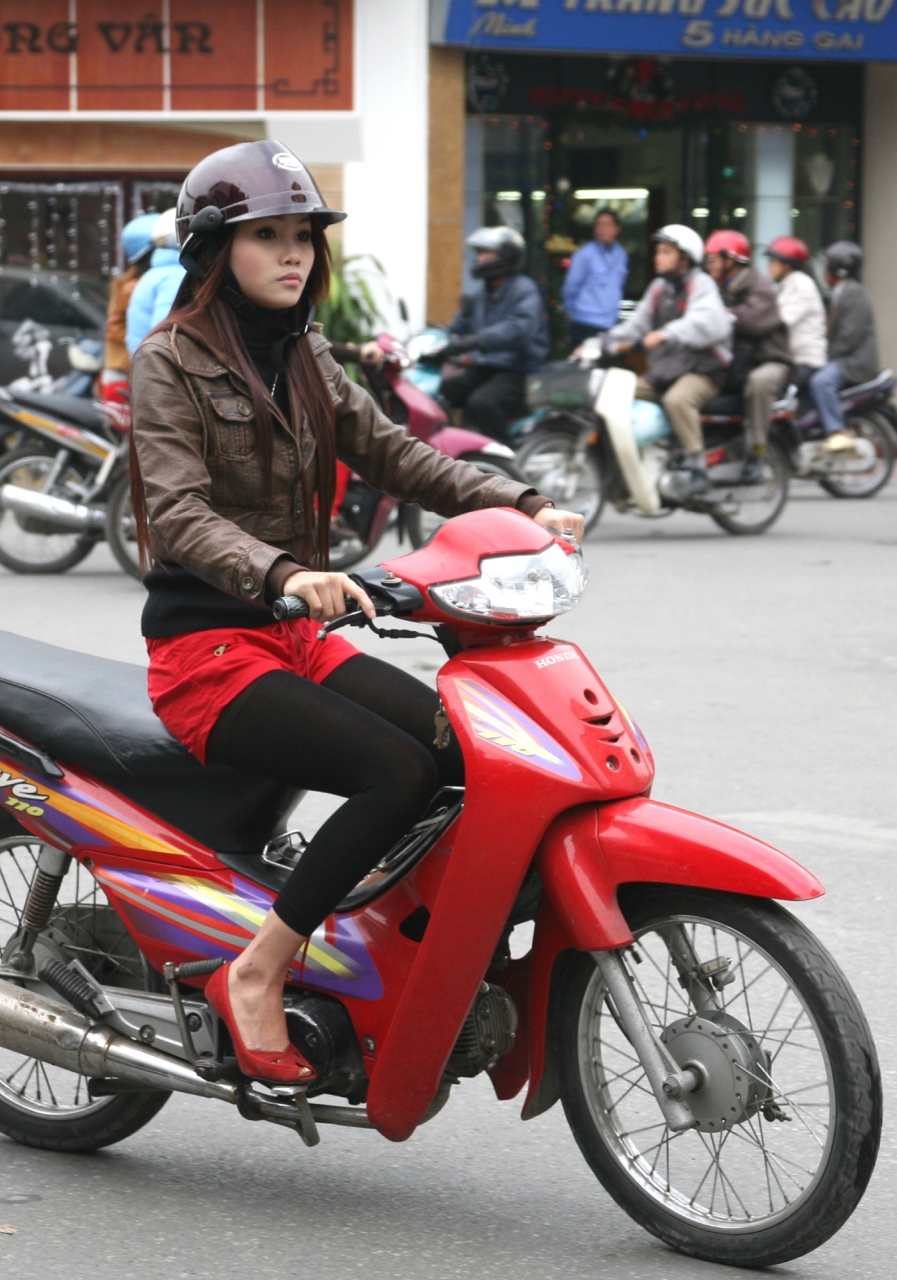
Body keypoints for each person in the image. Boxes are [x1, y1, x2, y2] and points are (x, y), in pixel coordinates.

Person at [129, 139, 582, 1084]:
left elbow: (400, 455)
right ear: (216, 252)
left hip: (296, 638)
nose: (292, 255)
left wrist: (519, 504)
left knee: (469, 752)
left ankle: (416, 955)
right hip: (209, 652)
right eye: (267, 237)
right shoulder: (168, 362)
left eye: (303, 237)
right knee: (393, 771)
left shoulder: (308, 355)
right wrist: (284, 572)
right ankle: (259, 971)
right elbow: (177, 511)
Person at [602, 224, 732, 491]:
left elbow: (708, 323)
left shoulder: (701, 284)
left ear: (685, 258)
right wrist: (602, 341)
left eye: (666, 251)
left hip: (703, 370)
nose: (657, 256)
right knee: (615, 391)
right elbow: (635, 325)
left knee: (677, 400)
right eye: (658, 251)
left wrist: (666, 334)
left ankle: (697, 466)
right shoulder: (659, 288)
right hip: (667, 369)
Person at [440, 225, 549, 442]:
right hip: (488, 367)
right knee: (444, 392)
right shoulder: (480, 296)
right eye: (478, 253)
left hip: (520, 371)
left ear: (507, 256)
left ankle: (505, 458)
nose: (479, 259)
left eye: (485, 253)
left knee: (482, 403)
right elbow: (462, 326)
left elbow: (518, 329)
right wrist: (441, 337)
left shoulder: (524, 290)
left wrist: (479, 340)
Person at [704, 229, 792, 485]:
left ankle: (757, 451)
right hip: (732, 363)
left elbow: (752, 321)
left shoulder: (758, 286)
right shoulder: (716, 288)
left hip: (770, 361)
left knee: (759, 383)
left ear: (730, 260)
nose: (709, 265)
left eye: (713, 259)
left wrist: (725, 313)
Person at [813, 241, 880, 451]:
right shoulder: (840, 293)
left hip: (855, 363)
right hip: (844, 358)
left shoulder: (854, 293)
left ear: (837, 268)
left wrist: (824, 355)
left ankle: (837, 430)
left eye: (827, 265)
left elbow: (848, 337)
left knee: (821, 381)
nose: (823, 271)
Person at [765, 236, 826, 391]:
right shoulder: (787, 284)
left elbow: (781, 320)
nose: (768, 267)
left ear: (786, 265)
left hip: (805, 361)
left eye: (773, 262)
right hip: (794, 359)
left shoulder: (800, 284)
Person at [562, 208, 628, 349]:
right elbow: (570, 287)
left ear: (617, 228)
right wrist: (576, 311)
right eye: (598, 224)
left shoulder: (621, 254)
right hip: (585, 322)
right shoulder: (584, 254)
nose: (602, 229)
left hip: (610, 323)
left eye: (607, 224)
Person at [104, 213, 159, 384]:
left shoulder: (143, 282)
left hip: (136, 369)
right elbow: (114, 328)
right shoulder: (131, 286)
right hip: (124, 372)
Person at [125, 211, 186, 357]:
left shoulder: (156, 274)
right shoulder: (174, 277)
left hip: (147, 365)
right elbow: (167, 336)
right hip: (161, 369)